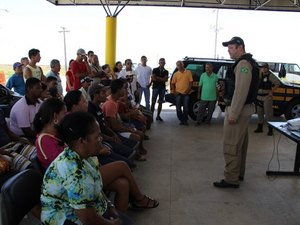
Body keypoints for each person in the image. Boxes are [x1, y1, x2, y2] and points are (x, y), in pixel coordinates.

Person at [40, 112, 158, 224]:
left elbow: (96, 183)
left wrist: (109, 205)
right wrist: (112, 223)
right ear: (82, 141)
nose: (100, 139)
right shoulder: (75, 173)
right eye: (97, 137)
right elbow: (87, 219)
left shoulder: (84, 156)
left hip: (88, 208)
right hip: (66, 218)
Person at [213, 36, 259, 188]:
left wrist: (233, 113)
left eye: (231, 47)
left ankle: (231, 178)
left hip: (238, 110)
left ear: (240, 48)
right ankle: (238, 173)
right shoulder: (244, 63)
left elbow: (241, 91)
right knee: (240, 145)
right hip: (242, 109)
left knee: (231, 145)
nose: (228, 50)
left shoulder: (244, 64)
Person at [101, 79, 147, 160]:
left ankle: (137, 151)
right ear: (118, 90)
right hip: (114, 132)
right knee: (137, 136)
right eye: (123, 88)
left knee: (139, 130)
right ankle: (136, 154)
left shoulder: (115, 101)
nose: (125, 90)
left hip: (119, 126)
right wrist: (129, 129)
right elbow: (115, 127)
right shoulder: (110, 103)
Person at [33, 98, 66, 169]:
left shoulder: (54, 134)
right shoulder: (46, 141)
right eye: (64, 114)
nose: (66, 117)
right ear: (55, 116)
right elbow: (64, 164)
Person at [9, 77, 43, 142]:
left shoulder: (40, 102)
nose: (41, 90)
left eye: (41, 87)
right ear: (29, 89)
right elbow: (28, 132)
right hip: (21, 137)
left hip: (35, 132)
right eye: (38, 88)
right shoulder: (21, 108)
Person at [254, 63, 280, 136]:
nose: (263, 69)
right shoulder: (260, 75)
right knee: (259, 113)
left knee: (268, 114)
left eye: (265, 67)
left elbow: (277, 83)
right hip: (259, 97)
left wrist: (271, 91)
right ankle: (260, 128)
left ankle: (270, 130)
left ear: (267, 68)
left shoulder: (270, 75)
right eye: (262, 67)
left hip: (267, 97)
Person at [170, 60, 193, 126]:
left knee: (186, 108)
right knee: (178, 108)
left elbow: (191, 82)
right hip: (178, 93)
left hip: (186, 93)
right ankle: (181, 120)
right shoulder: (176, 74)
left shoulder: (188, 72)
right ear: (177, 66)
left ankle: (185, 120)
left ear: (183, 65)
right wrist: (174, 91)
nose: (179, 66)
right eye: (178, 65)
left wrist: (188, 90)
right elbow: (173, 83)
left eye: (180, 64)